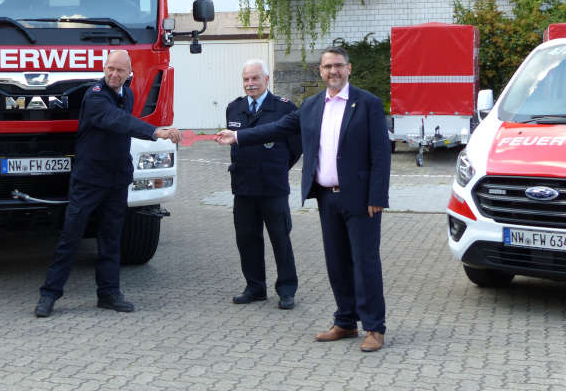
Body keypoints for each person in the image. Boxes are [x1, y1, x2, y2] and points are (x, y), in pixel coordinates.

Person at [217, 46, 391, 352]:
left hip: (361, 199)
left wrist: (377, 195)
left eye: (338, 66)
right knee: (336, 263)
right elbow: (278, 128)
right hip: (326, 198)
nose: (333, 71)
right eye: (327, 67)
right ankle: (345, 321)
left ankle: (374, 327)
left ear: (348, 69)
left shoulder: (367, 104)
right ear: (320, 72)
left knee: (364, 263)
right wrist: (238, 136)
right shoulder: (311, 106)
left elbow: (380, 153)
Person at [35, 50, 181, 317]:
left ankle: (109, 294)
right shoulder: (95, 96)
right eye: (110, 69)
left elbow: (123, 127)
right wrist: (154, 131)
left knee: (111, 238)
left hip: (116, 179)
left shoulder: (128, 95)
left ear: (129, 74)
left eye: (120, 71)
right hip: (89, 179)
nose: (114, 75)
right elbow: (117, 120)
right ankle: (49, 295)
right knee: (71, 237)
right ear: (104, 69)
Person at [226, 59, 300, 309]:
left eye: (255, 78)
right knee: (247, 239)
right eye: (246, 79)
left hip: (273, 187)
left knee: (280, 238)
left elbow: (295, 147)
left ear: (266, 80)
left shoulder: (284, 108)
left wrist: (278, 168)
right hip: (244, 187)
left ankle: (287, 289)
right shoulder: (233, 109)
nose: (250, 84)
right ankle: (255, 287)